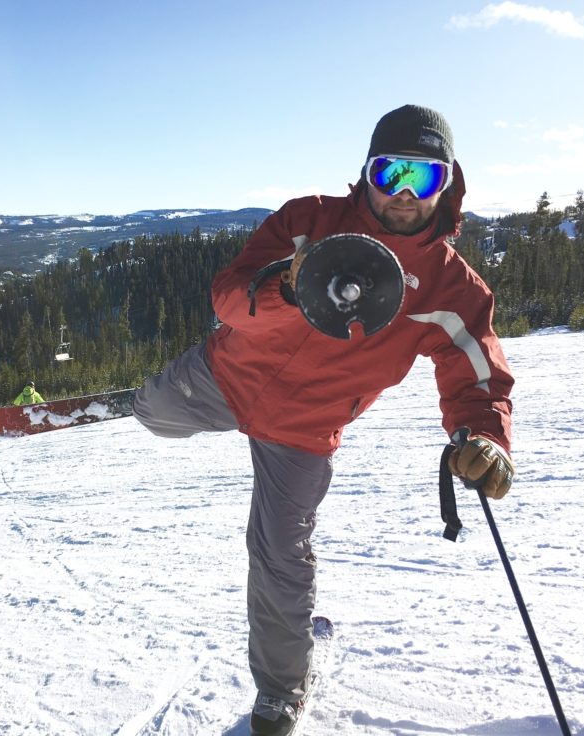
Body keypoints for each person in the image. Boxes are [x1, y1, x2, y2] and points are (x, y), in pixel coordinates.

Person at [132, 105, 515, 736]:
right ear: (367, 171)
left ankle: (281, 691)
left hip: (305, 426)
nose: (403, 195)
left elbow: (476, 372)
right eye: (392, 173)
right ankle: (138, 398)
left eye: (424, 179)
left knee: (279, 550)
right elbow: (229, 298)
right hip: (229, 375)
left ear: (448, 184)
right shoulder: (308, 221)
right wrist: (289, 283)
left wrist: (484, 437)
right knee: (153, 414)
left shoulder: (450, 287)